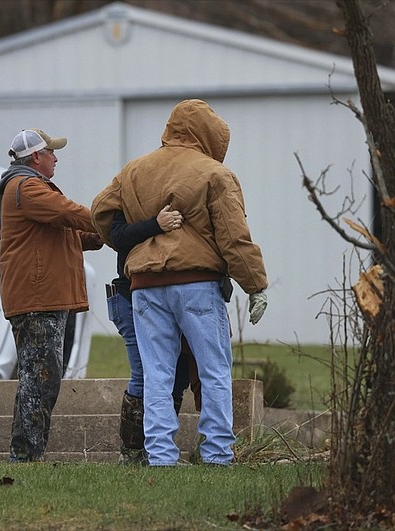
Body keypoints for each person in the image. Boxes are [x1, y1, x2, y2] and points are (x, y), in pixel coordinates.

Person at [91, 99, 268, 466]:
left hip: (144, 285)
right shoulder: (215, 174)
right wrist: (255, 284)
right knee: (214, 369)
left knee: (157, 373)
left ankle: (160, 455)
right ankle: (218, 453)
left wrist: (142, 234)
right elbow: (234, 238)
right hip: (196, 284)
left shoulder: (134, 170)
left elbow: (101, 214)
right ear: (210, 134)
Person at [0, 128, 103, 463]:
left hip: (41, 298)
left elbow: (66, 232)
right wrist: (111, 219)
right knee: (41, 377)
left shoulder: (28, 188)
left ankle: (26, 453)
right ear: (37, 157)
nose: (56, 157)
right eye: (52, 152)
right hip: (37, 299)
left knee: (40, 375)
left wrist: (96, 235)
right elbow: (69, 213)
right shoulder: (27, 187)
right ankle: (25, 456)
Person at [107, 208, 200, 464]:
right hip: (131, 295)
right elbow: (117, 235)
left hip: (169, 295)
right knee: (146, 373)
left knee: (178, 374)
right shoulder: (132, 193)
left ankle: (160, 450)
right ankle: (134, 453)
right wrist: (155, 224)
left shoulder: (182, 197)